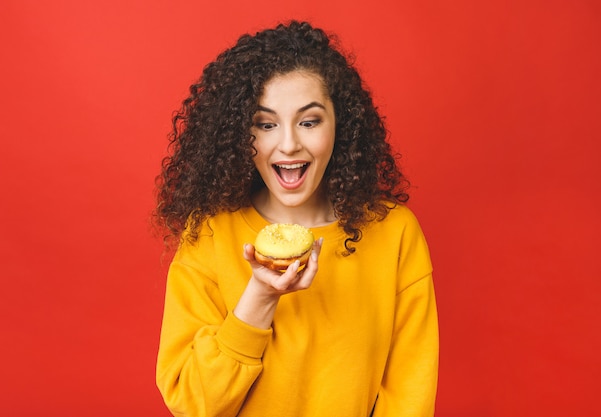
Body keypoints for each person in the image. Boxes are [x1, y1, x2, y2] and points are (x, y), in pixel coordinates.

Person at [154, 20, 438, 417]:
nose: (288, 144)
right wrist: (260, 297)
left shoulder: (394, 233)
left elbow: (409, 396)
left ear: (342, 125)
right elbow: (193, 403)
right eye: (266, 124)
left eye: (309, 121)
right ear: (239, 134)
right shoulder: (211, 233)